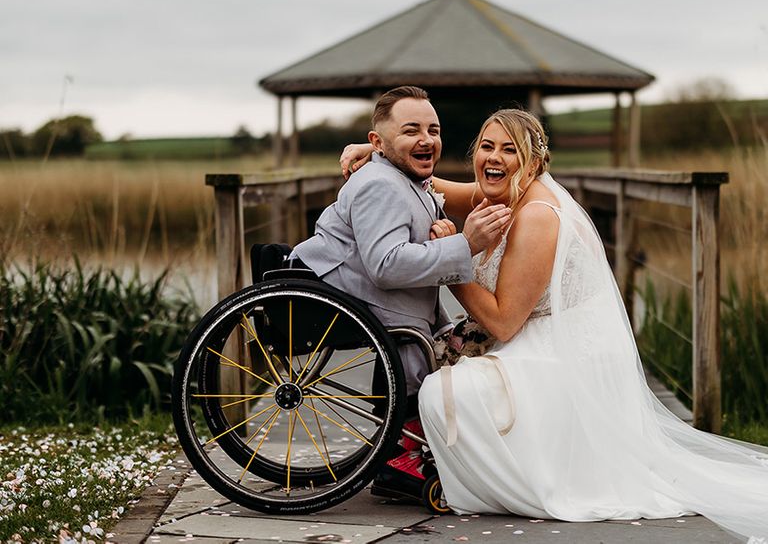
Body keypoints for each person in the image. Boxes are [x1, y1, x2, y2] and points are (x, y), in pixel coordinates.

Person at [343, 108, 768, 542]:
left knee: (442, 393)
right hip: (535, 336)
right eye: (487, 147)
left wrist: (453, 257)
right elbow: (433, 184)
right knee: (430, 361)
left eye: (511, 150)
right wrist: (378, 153)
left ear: (534, 163)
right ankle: (417, 459)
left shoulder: (538, 216)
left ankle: (468, 473)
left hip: (561, 355)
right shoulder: (497, 191)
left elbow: (504, 322)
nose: (495, 157)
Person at [291, 86, 512, 497]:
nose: (427, 139)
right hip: (345, 291)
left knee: (445, 332)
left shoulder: (404, 176)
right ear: (379, 141)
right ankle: (402, 456)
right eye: (412, 130)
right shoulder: (382, 184)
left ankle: (409, 446)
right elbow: (385, 264)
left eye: (434, 129)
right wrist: (466, 244)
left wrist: (386, 146)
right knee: (416, 335)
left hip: (374, 292)